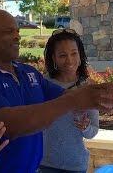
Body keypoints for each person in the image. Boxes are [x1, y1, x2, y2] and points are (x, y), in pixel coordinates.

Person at [0, 9, 113, 173]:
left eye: (17, 31)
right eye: (9, 31)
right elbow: (10, 125)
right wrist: (74, 100)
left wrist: (99, 93)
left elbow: (64, 96)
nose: (17, 36)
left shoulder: (29, 73)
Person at [39, 29, 99, 173]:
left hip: (76, 165)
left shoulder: (88, 87)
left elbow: (92, 132)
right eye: (62, 55)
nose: (69, 60)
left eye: (74, 53)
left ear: (80, 55)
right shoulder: (42, 84)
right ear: (53, 58)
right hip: (44, 164)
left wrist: (85, 127)